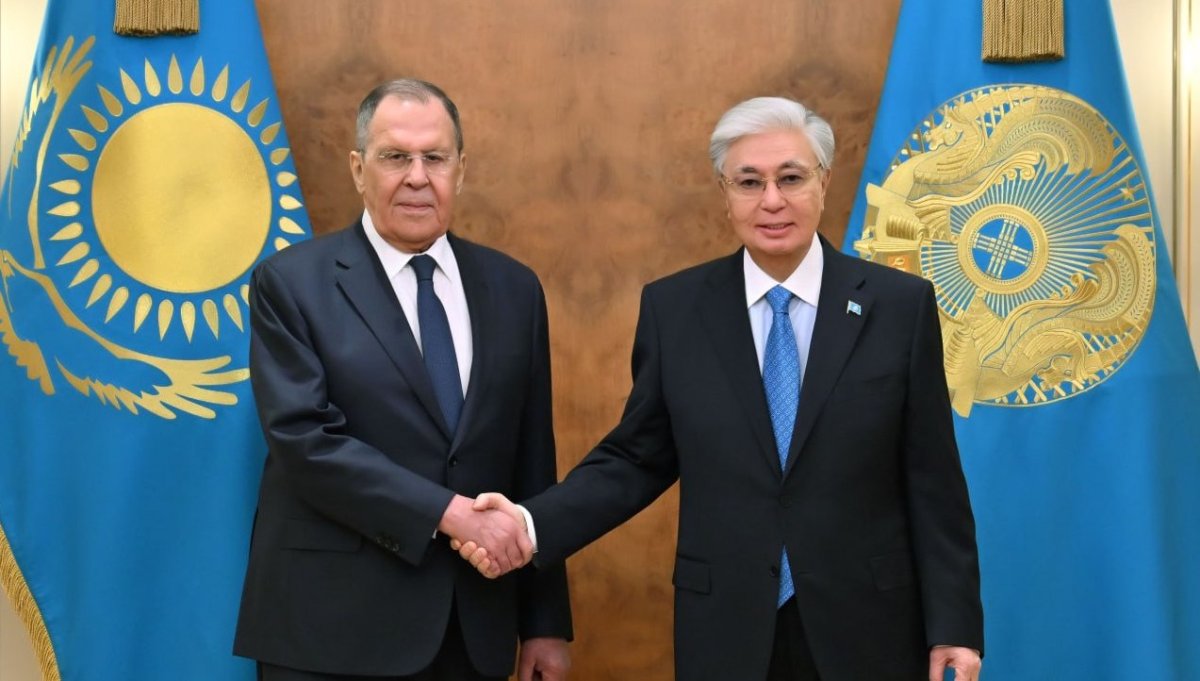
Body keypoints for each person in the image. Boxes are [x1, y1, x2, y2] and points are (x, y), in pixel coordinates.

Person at [459, 96, 983, 681]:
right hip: (728, 629)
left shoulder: (899, 306)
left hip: (869, 626)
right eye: (749, 182)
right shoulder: (676, 310)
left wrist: (955, 627)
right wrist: (530, 525)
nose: (772, 200)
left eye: (791, 178)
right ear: (724, 193)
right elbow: (636, 458)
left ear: (825, 182)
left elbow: (933, 481)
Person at [233, 79, 572, 681]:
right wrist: (451, 513)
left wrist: (544, 622)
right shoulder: (290, 284)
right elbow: (305, 442)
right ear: (358, 168)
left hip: (473, 630)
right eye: (395, 156)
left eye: (434, 157)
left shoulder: (514, 288)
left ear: (460, 170)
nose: (417, 177)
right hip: (330, 632)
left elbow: (532, 461)